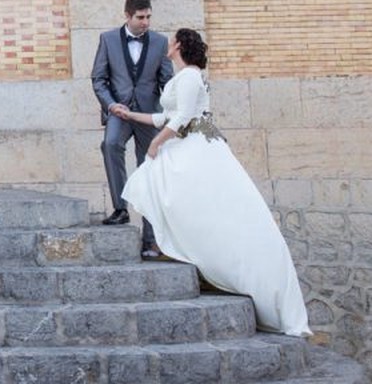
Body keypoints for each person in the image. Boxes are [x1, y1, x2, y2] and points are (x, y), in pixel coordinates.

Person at [117, 28, 311, 337]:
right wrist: (130, 115)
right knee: (155, 184)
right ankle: (173, 244)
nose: (167, 44)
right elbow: (163, 117)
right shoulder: (181, 77)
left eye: (171, 41)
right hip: (185, 141)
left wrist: (155, 145)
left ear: (179, 45)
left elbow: (180, 120)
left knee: (168, 186)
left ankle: (175, 247)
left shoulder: (191, 76)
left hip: (197, 144)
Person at [91, 0, 174, 258]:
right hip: (120, 111)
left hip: (149, 115)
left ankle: (150, 239)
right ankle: (120, 208)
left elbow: (167, 81)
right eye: (140, 17)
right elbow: (98, 78)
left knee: (148, 168)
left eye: (148, 17)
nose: (146, 22)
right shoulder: (108, 39)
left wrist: (166, 113)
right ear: (127, 16)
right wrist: (110, 104)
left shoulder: (160, 43)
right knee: (110, 144)